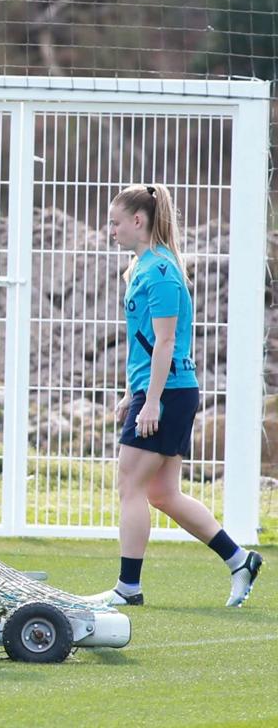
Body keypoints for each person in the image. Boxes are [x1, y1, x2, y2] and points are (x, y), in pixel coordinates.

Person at [87, 183, 262, 608]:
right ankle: (240, 560)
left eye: (114, 222)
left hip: (167, 395)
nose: (110, 230)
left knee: (129, 483)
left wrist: (151, 401)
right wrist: (135, 393)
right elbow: (146, 342)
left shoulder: (160, 271)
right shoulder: (143, 266)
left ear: (138, 221)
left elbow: (166, 344)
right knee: (162, 494)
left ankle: (129, 588)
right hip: (162, 392)